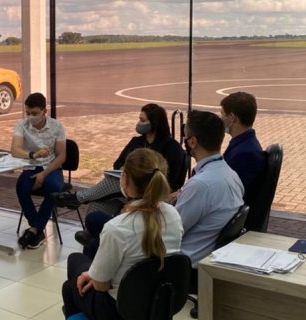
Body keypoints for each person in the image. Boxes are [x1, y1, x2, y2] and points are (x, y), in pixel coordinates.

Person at [61, 148, 183, 320]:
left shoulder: (117, 228)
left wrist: (94, 276)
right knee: (80, 264)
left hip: (118, 311)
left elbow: (102, 286)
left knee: (71, 282)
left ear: (124, 178)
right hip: (159, 301)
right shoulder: (173, 215)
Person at [53, 103, 186, 255]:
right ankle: (91, 245)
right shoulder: (136, 142)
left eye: (142, 121)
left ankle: (79, 199)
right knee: (97, 204)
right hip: (126, 191)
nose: (138, 124)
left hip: (150, 193)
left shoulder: (172, 148)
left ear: (154, 123)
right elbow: (117, 163)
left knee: (112, 184)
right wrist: (123, 169)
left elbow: (174, 181)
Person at [176, 110, 244, 271]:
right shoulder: (231, 174)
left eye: (186, 136)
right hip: (208, 256)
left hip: (185, 264)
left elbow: (171, 231)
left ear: (192, 142)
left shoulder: (200, 185)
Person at [12, 92, 67, 249]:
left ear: (45, 111)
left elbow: (61, 156)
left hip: (51, 167)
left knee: (54, 188)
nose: (31, 117)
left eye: (35, 113)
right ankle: (38, 230)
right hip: (31, 165)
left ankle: (34, 229)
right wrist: (32, 154)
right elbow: (15, 150)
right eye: (28, 113)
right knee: (21, 187)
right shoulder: (22, 124)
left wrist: (43, 174)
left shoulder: (57, 126)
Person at [220, 92, 265, 212]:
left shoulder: (245, 153)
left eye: (222, 114)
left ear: (232, 118)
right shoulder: (244, 144)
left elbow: (231, 194)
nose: (221, 119)